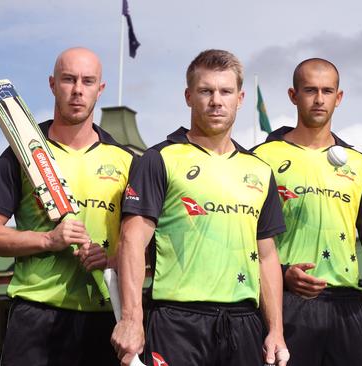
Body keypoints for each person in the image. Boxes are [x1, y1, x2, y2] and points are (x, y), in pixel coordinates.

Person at [111, 49, 289, 366]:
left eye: (225, 91)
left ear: (240, 97)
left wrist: (276, 330)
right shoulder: (159, 158)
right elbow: (132, 240)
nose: (216, 101)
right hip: (177, 321)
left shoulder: (260, 170)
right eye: (206, 91)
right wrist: (131, 318)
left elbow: (267, 256)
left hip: (243, 322)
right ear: (189, 96)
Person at [0, 47, 133, 366]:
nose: (77, 90)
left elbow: (146, 246)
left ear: (100, 89)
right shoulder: (23, 154)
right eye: (68, 79)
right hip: (36, 314)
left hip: (102, 315)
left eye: (87, 82)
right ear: (52, 84)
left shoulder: (126, 161)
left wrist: (112, 258)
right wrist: (48, 239)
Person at [252, 58, 362, 366]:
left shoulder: (361, 165)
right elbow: (242, 239)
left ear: (339, 98)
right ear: (293, 95)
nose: (319, 99)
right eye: (310, 90)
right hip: (286, 304)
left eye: (328, 91)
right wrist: (283, 274)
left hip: (346, 309)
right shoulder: (261, 159)